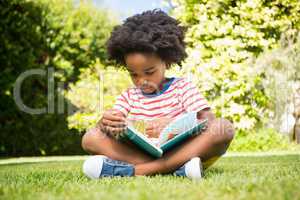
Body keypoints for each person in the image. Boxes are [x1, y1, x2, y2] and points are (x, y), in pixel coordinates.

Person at [81, 9, 234, 180]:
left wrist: (173, 124)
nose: (142, 81)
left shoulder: (182, 87)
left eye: (149, 71)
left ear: (167, 62)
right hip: (143, 152)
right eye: (134, 74)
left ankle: (135, 171)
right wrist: (105, 123)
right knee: (90, 137)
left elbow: (209, 120)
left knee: (223, 128)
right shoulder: (129, 96)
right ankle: (178, 169)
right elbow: (108, 126)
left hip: (182, 150)